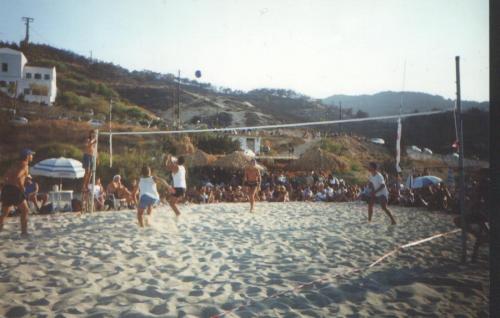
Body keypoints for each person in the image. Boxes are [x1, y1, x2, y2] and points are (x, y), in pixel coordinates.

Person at [0, 149, 35, 235]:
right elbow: (18, 177)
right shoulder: (25, 165)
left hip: (6, 188)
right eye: (31, 155)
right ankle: (24, 232)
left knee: (5, 213)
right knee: (25, 210)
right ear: (27, 156)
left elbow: (5, 177)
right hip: (14, 189)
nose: (32, 156)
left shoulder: (14, 164)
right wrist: (22, 187)